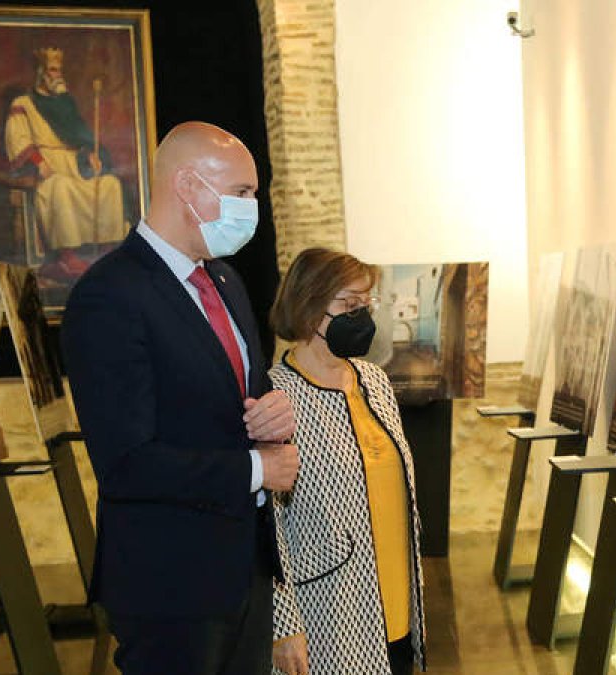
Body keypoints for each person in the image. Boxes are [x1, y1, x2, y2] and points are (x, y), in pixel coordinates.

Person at [61, 121, 300, 674]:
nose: (250, 208)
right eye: (242, 193)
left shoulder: (226, 283)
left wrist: (274, 414)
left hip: (245, 568)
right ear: (188, 187)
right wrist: (255, 470)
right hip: (169, 581)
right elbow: (125, 464)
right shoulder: (109, 296)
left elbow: (243, 397)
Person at [268, 248, 426, 675]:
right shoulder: (274, 397)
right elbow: (269, 525)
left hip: (397, 599)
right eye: (349, 304)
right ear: (310, 304)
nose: (362, 316)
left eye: (366, 304)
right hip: (330, 613)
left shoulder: (373, 379)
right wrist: (283, 625)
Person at [6, 47, 127, 279]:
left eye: (59, 70)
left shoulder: (66, 104)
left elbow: (78, 139)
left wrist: (89, 155)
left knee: (110, 184)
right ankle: (68, 256)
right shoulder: (24, 103)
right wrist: (38, 161)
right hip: (46, 168)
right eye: (52, 70)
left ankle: (106, 251)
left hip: (73, 165)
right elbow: (17, 138)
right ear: (41, 72)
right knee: (60, 187)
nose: (57, 75)